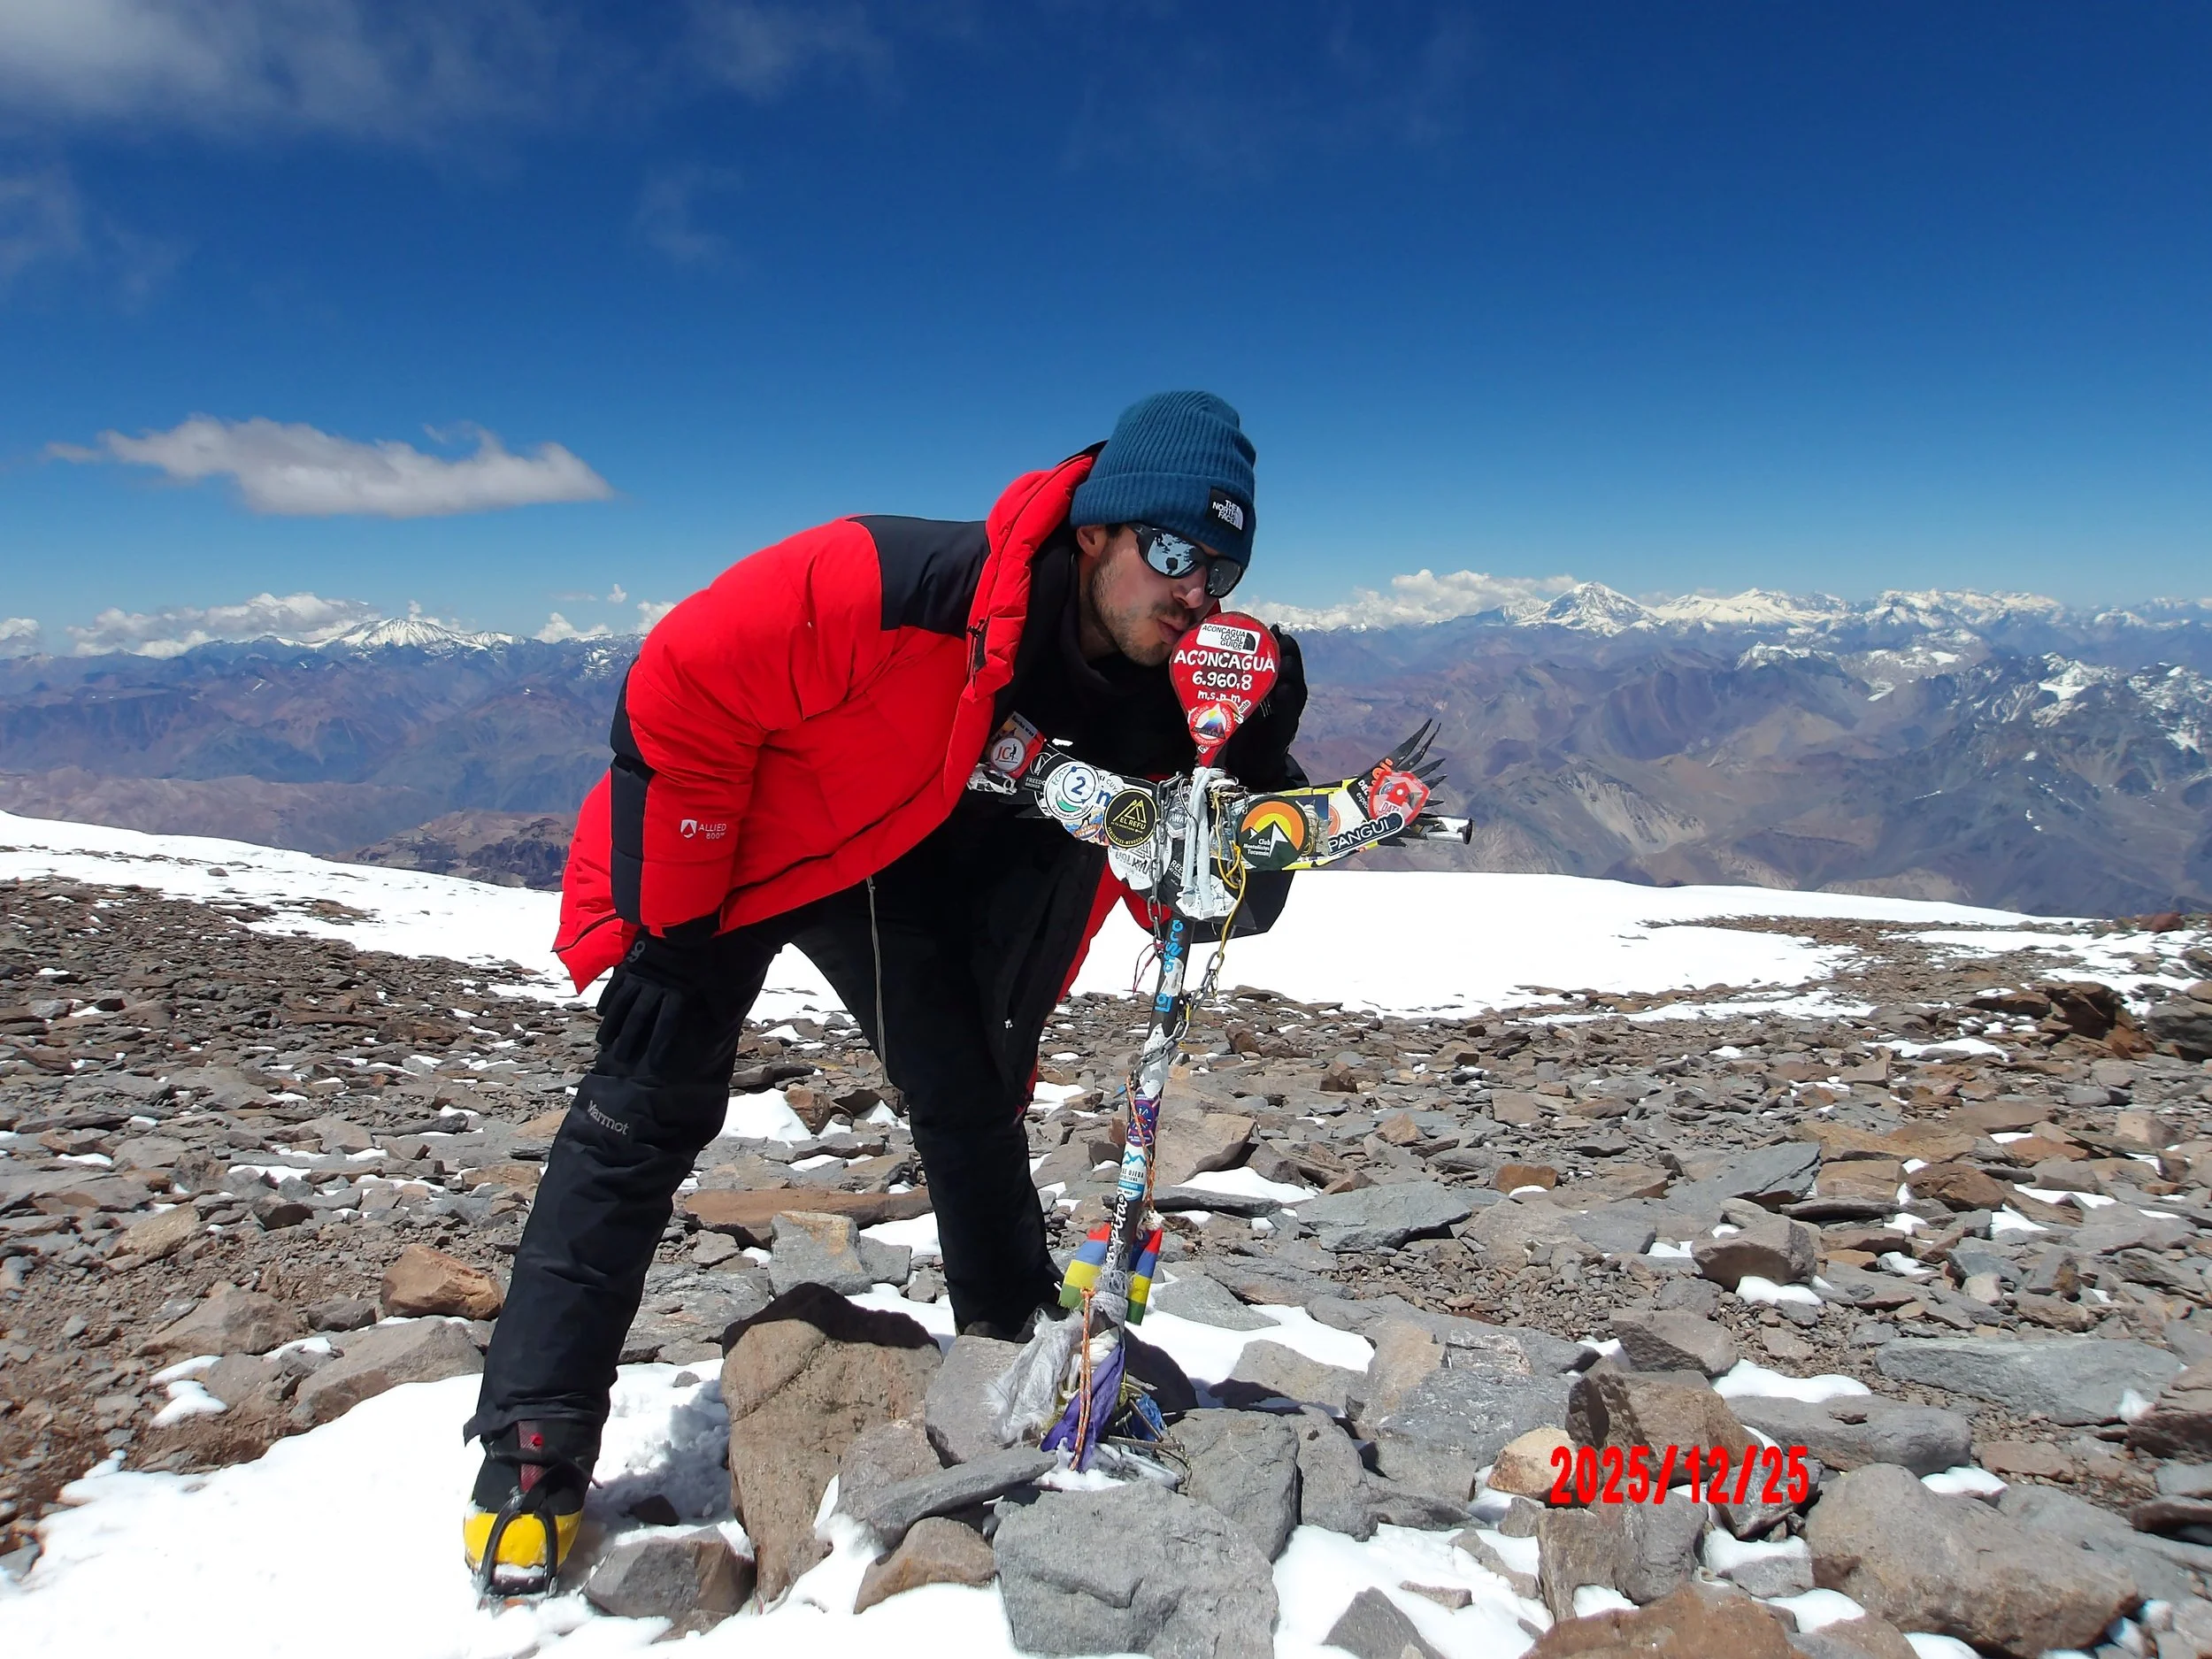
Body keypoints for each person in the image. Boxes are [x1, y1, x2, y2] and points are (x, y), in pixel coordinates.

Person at [461, 391, 1307, 1584]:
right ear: (1096, 532)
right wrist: (671, 922)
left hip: (879, 872)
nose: (1195, 588)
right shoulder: (894, 580)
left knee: (964, 1094)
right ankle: (532, 1446)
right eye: (1173, 550)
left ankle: (1009, 1353)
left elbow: (1208, 900)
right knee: (645, 1099)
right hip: (730, 849)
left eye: (1221, 566)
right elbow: (681, 677)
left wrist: (1252, 768)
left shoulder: (1161, 690)